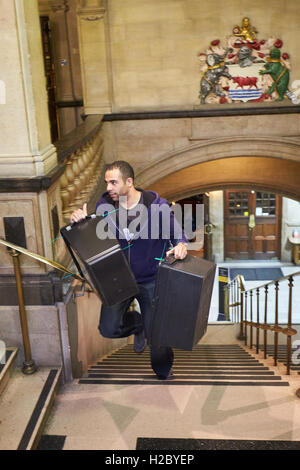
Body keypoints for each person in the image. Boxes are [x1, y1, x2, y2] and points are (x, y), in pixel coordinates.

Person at [70, 160, 188, 380]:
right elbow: (95, 238)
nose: (108, 188)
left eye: (113, 182)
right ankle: (137, 324)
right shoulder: (105, 207)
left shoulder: (156, 206)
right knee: (108, 329)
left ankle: (162, 368)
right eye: (107, 183)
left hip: (151, 278)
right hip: (118, 279)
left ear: (129, 182)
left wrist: (181, 245)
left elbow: (176, 234)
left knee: (157, 333)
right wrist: (81, 223)